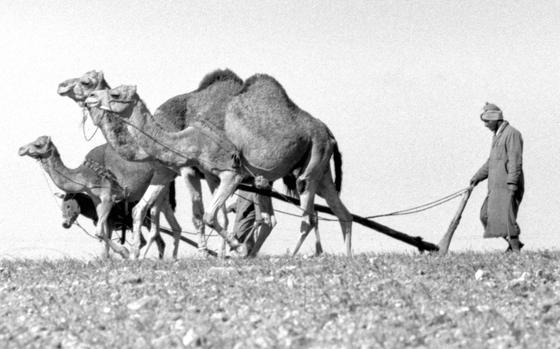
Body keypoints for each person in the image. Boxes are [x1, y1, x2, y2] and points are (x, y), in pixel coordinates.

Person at [470, 102, 525, 252]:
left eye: (487, 121)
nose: (485, 125)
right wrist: (477, 177)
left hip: (507, 185)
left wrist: (513, 182)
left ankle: (515, 251)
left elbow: (515, 160)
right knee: (485, 215)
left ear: (495, 119)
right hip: (495, 187)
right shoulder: (497, 136)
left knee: (507, 219)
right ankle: (515, 244)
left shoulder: (512, 134)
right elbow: (491, 162)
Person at [227, 177, 276, 257]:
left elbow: (256, 202)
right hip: (241, 217)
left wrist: (258, 218)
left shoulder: (253, 189)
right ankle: (249, 253)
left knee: (241, 233)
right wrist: (228, 209)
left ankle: (248, 253)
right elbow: (239, 203)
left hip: (246, 218)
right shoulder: (242, 188)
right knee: (243, 234)